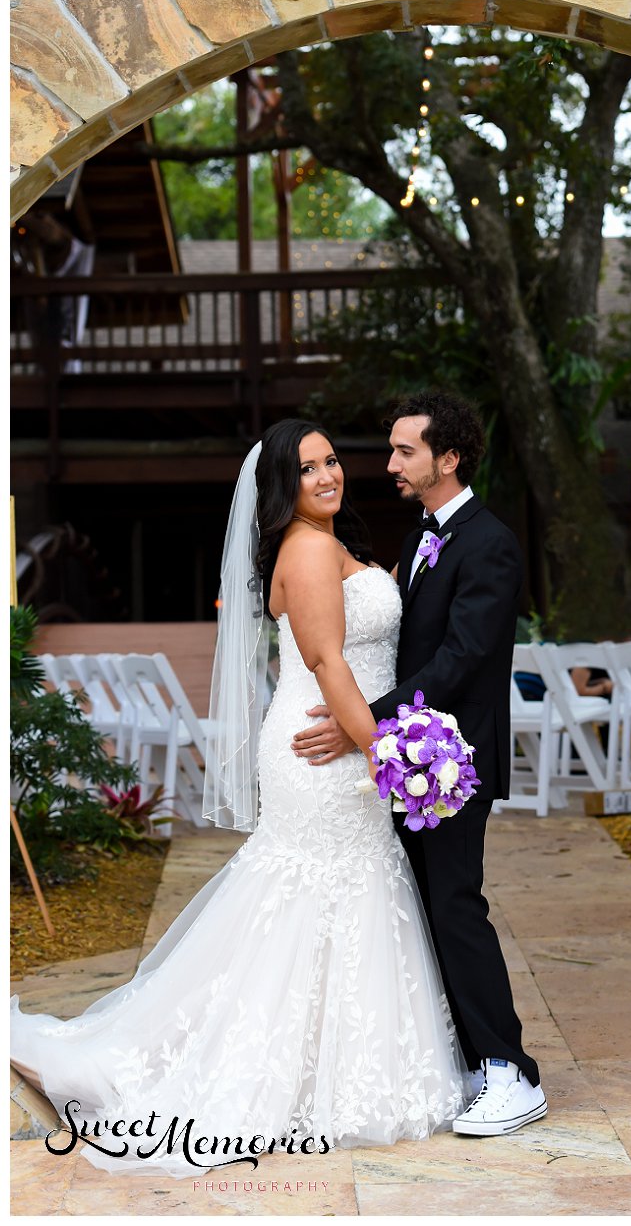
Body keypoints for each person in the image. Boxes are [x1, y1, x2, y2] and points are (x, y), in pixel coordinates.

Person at [11, 419, 465, 1176]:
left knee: (327, 904)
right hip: (324, 747)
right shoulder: (311, 549)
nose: (328, 476)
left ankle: (326, 1063)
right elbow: (326, 662)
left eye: (331, 461)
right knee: (308, 901)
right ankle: (165, 1061)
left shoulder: (329, 541)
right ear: (282, 485)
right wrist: (387, 753)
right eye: (309, 468)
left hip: (342, 741)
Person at [291, 391, 543, 1136]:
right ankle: (469, 1059)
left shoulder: (489, 542)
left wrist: (365, 725)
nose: (390, 462)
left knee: (457, 907)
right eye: (393, 448)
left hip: (450, 761)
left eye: (405, 450)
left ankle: (513, 1071)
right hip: (410, 760)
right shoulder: (426, 534)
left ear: (449, 457)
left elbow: (461, 659)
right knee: (427, 910)